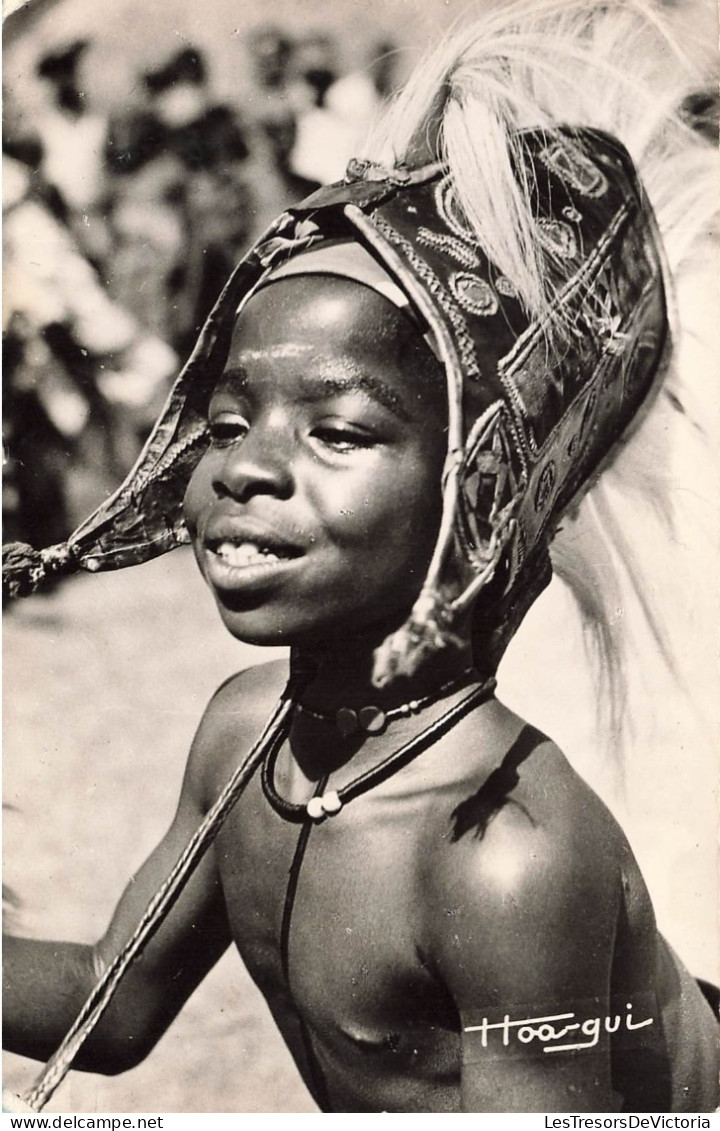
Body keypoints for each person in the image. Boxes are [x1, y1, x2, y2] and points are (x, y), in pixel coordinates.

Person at [3, 1, 719, 1114]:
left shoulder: (507, 858)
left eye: (339, 432)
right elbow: (110, 1002)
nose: (245, 469)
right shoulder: (251, 733)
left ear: (473, 489)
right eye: (228, 425)